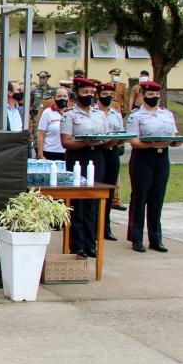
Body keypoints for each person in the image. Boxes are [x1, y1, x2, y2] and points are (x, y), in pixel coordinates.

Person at [126, 81, 182, 253]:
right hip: (143, 157)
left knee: (157, 198)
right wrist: (151, 144)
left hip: (162, 157)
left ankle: (156, 239)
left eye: (157, 95)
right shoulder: (135, 116)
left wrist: (176, 141)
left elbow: (173, 136)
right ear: (142, 95)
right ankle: (136, 238)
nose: (154, 98)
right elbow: (134, 141)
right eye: (150, 95)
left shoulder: (167, 114)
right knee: (140, 198)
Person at [60, 77, 110, 258]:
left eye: (91, 93)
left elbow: (105, 137)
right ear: (77, 93)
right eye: (85, 93)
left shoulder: (99, 115)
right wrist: (84, 142)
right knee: (78, 202)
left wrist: (109, 140)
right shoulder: (69, 115)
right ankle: (77, 244)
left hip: (97, 155)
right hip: (78, 157)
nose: (89, 96)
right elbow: (65, 142)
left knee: (93, 201)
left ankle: (91, 243)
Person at [96, 83, 125, 241]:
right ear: (98, 95)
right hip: (97, 152)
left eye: (110, 94)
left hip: (112, 152)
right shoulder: (93, 113)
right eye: (105, 93)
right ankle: (93, 226)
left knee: (109, 192)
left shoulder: (116, 114)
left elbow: (121, 133)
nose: (108, 97)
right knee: (95, 190)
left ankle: (105, 226)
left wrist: (117, 142)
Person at [36, 88, 70, 160]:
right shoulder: (47, 112)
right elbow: (40, 134)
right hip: (49, 153)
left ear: (68, 98)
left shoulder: (71, 113)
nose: (62, 98)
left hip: (67, 153)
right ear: (54, 98)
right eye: (59, 96)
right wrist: (40, 155)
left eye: (64, 96)